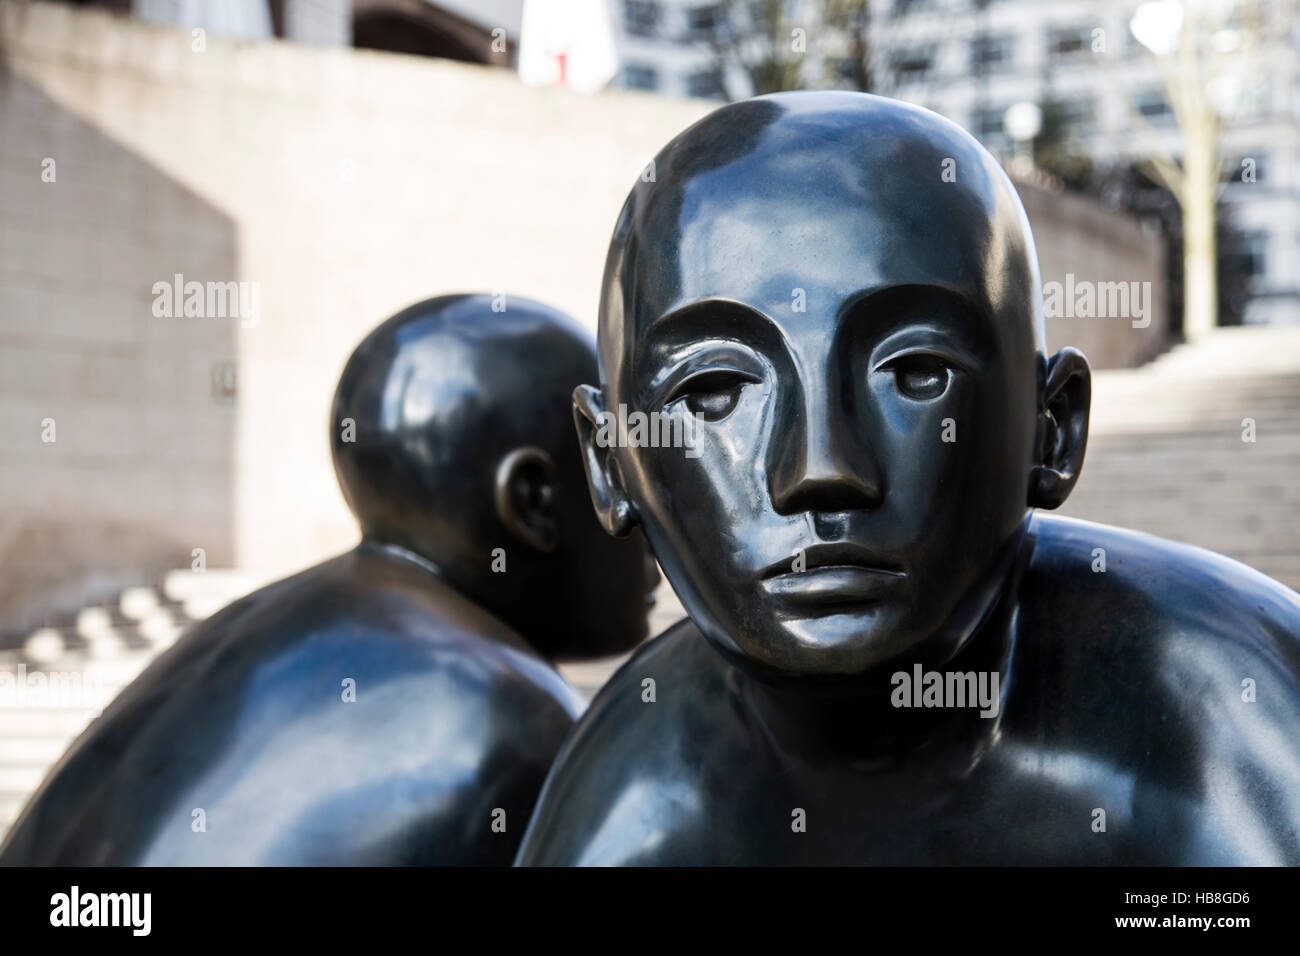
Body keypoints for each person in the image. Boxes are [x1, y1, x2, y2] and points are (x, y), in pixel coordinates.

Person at [514, 93, 1300, 865]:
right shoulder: (629, 799)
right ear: (609, 461)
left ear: (1051, 428)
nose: (821, 470)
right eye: (715, 392)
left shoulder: (1234, 717)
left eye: (916, 374)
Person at [1, 294, 656, 865]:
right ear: (535, 501)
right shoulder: (510, 717)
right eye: (619, 477)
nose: (646, 525)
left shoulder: (256, 626)